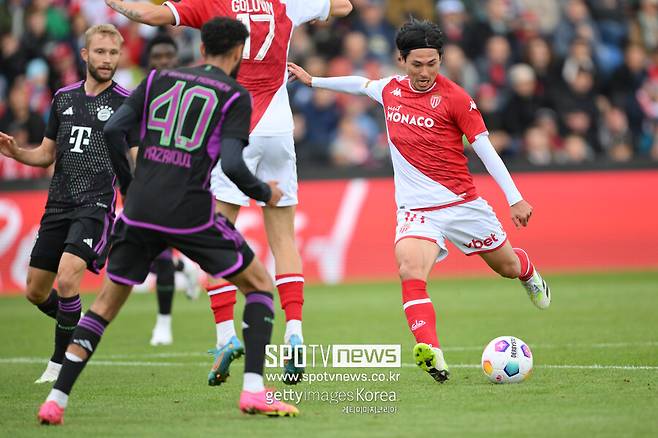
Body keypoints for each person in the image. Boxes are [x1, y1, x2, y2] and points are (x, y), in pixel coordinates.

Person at [37, 17, 298, 425]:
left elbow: (114, 130)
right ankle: (253, 392)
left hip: (140, 210)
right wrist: (265, 192)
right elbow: (231, 162)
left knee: (104, 306)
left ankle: (55, 401)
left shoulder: (159, 77)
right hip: (190, 213)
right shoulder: (234, 93)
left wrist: (129, 188)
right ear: (236, 53)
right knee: (261, 285)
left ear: (201, 47)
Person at [104, 0, 354, 386]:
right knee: (284, 240)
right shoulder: (287, 2)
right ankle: (295, 333)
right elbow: (345, 6)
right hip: (277, 129)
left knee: (218, 232)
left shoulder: (211, 3)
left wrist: (117, 3)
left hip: (233, 127)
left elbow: (150, 15)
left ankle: (225, 337)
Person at [287, 19, 551, 383]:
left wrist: (515, 198)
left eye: (432, 63)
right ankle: (432, 353)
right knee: (410, 270)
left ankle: (527, 272)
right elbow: (361, 85)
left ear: (441, 59)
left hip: (462, 206)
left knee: (505, 266)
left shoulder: (457, 98)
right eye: (417, 64)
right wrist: (313, 80)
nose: (425, 72)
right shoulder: (390, 90)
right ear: (400, 60)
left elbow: (486, 150)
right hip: (416, 211)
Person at [0, 24, 133, 384]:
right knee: (34, 291)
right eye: (101, 52)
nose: (108, 60)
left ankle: (58, 364)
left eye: (113, 53)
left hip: (96, 205)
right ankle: (77, 323)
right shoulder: (63, 99)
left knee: (68, 275)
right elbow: (46, 155)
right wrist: (15, 152)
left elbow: (137, 159)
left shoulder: (127, 103)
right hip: (57, 204)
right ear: (85, 54)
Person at [140, 33, 201, 347]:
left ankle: (163, 324)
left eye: (168, 56)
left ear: (176, 59)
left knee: (160, 250)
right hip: (146, 178)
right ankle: (184, 268)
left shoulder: (192, 90)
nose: (163, 61)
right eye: (157, 56)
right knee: (140, 253)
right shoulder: (142, 91)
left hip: (179, 179)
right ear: (150, 60)